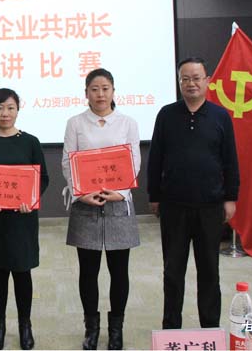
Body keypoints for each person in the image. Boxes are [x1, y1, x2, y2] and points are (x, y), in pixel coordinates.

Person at [147, 57, 240, 330]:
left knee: (209, 269)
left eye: (196, 78)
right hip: (173, 205)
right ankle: (171, 328)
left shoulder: (220, 116)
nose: (191, 83)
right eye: (185, 79)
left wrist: (230, 197)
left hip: (210, 205)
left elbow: (230, 160)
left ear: (207, 80)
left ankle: (210, 328)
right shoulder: (166, 114)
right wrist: (154, 195)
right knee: (172, 271)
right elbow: (156, 158)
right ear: (179, 83)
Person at [61, 68, 141, 350]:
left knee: (119, 271)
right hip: (86, 205)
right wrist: (81, 193)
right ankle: (91, 328)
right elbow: (68, 162)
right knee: (88, 271)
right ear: (86, 93)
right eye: (94, 89)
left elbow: (134, 160)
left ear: (113, 91)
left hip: (119, 205)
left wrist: (120, 192)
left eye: (105, 88)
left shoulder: (128, 123)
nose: (100, 94)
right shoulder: (75, 123)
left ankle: (116, 329)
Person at [0, 88, 49, 350]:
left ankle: (25, 325)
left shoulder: (31, 142)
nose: (5, 113)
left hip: (23, 219)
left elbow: (42, 178)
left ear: (18, 110)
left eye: (10, 107)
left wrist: (31, 199)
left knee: (23, 272)